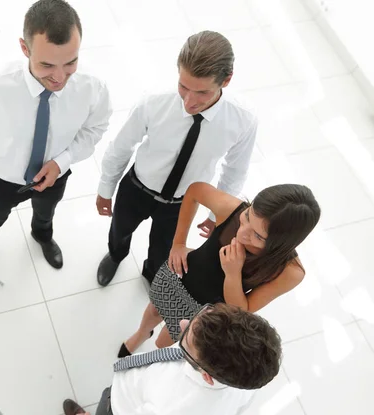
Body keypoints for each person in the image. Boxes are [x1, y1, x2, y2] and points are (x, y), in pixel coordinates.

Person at [0, 0, 112, 283]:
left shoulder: (92, 86)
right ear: (25, 49)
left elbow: (96, 128)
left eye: (70, 62)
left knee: (47, 212)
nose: (60, 78)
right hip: (3, 177)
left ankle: (42, 235)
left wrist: (61, 163)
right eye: (47, 65)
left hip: (55, 173)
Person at [96, 30, 258, 287]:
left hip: (182, 205)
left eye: (202, 93)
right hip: (137, 188)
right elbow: (121, 147)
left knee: (163, 251)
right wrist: (106, 188)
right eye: (183, 87)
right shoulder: (154, 101)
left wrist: (218, 214)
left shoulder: (242, 121)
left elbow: (235, 170)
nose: (189, 102)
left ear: (226, 80)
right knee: (119, 230)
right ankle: (116, 255)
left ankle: (151, 275)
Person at [119, 182, 321, 357]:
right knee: (154, 309)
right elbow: (195, 191)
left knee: (164, 343)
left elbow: (242, 310)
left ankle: (150, 361)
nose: (242, 234)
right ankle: (141, 334)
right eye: (248, 216)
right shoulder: (231, 209)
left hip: (206, 309)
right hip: (184, 273)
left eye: (258, 236)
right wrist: (179, 243)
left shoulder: (289, 271)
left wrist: (233, 273)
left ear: (280, 244)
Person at [63, 303, 282, 415]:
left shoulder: (171, 407)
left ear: (206, 376)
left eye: (186, 341)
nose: (183, 323)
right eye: (202, 313)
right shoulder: (249, 374)